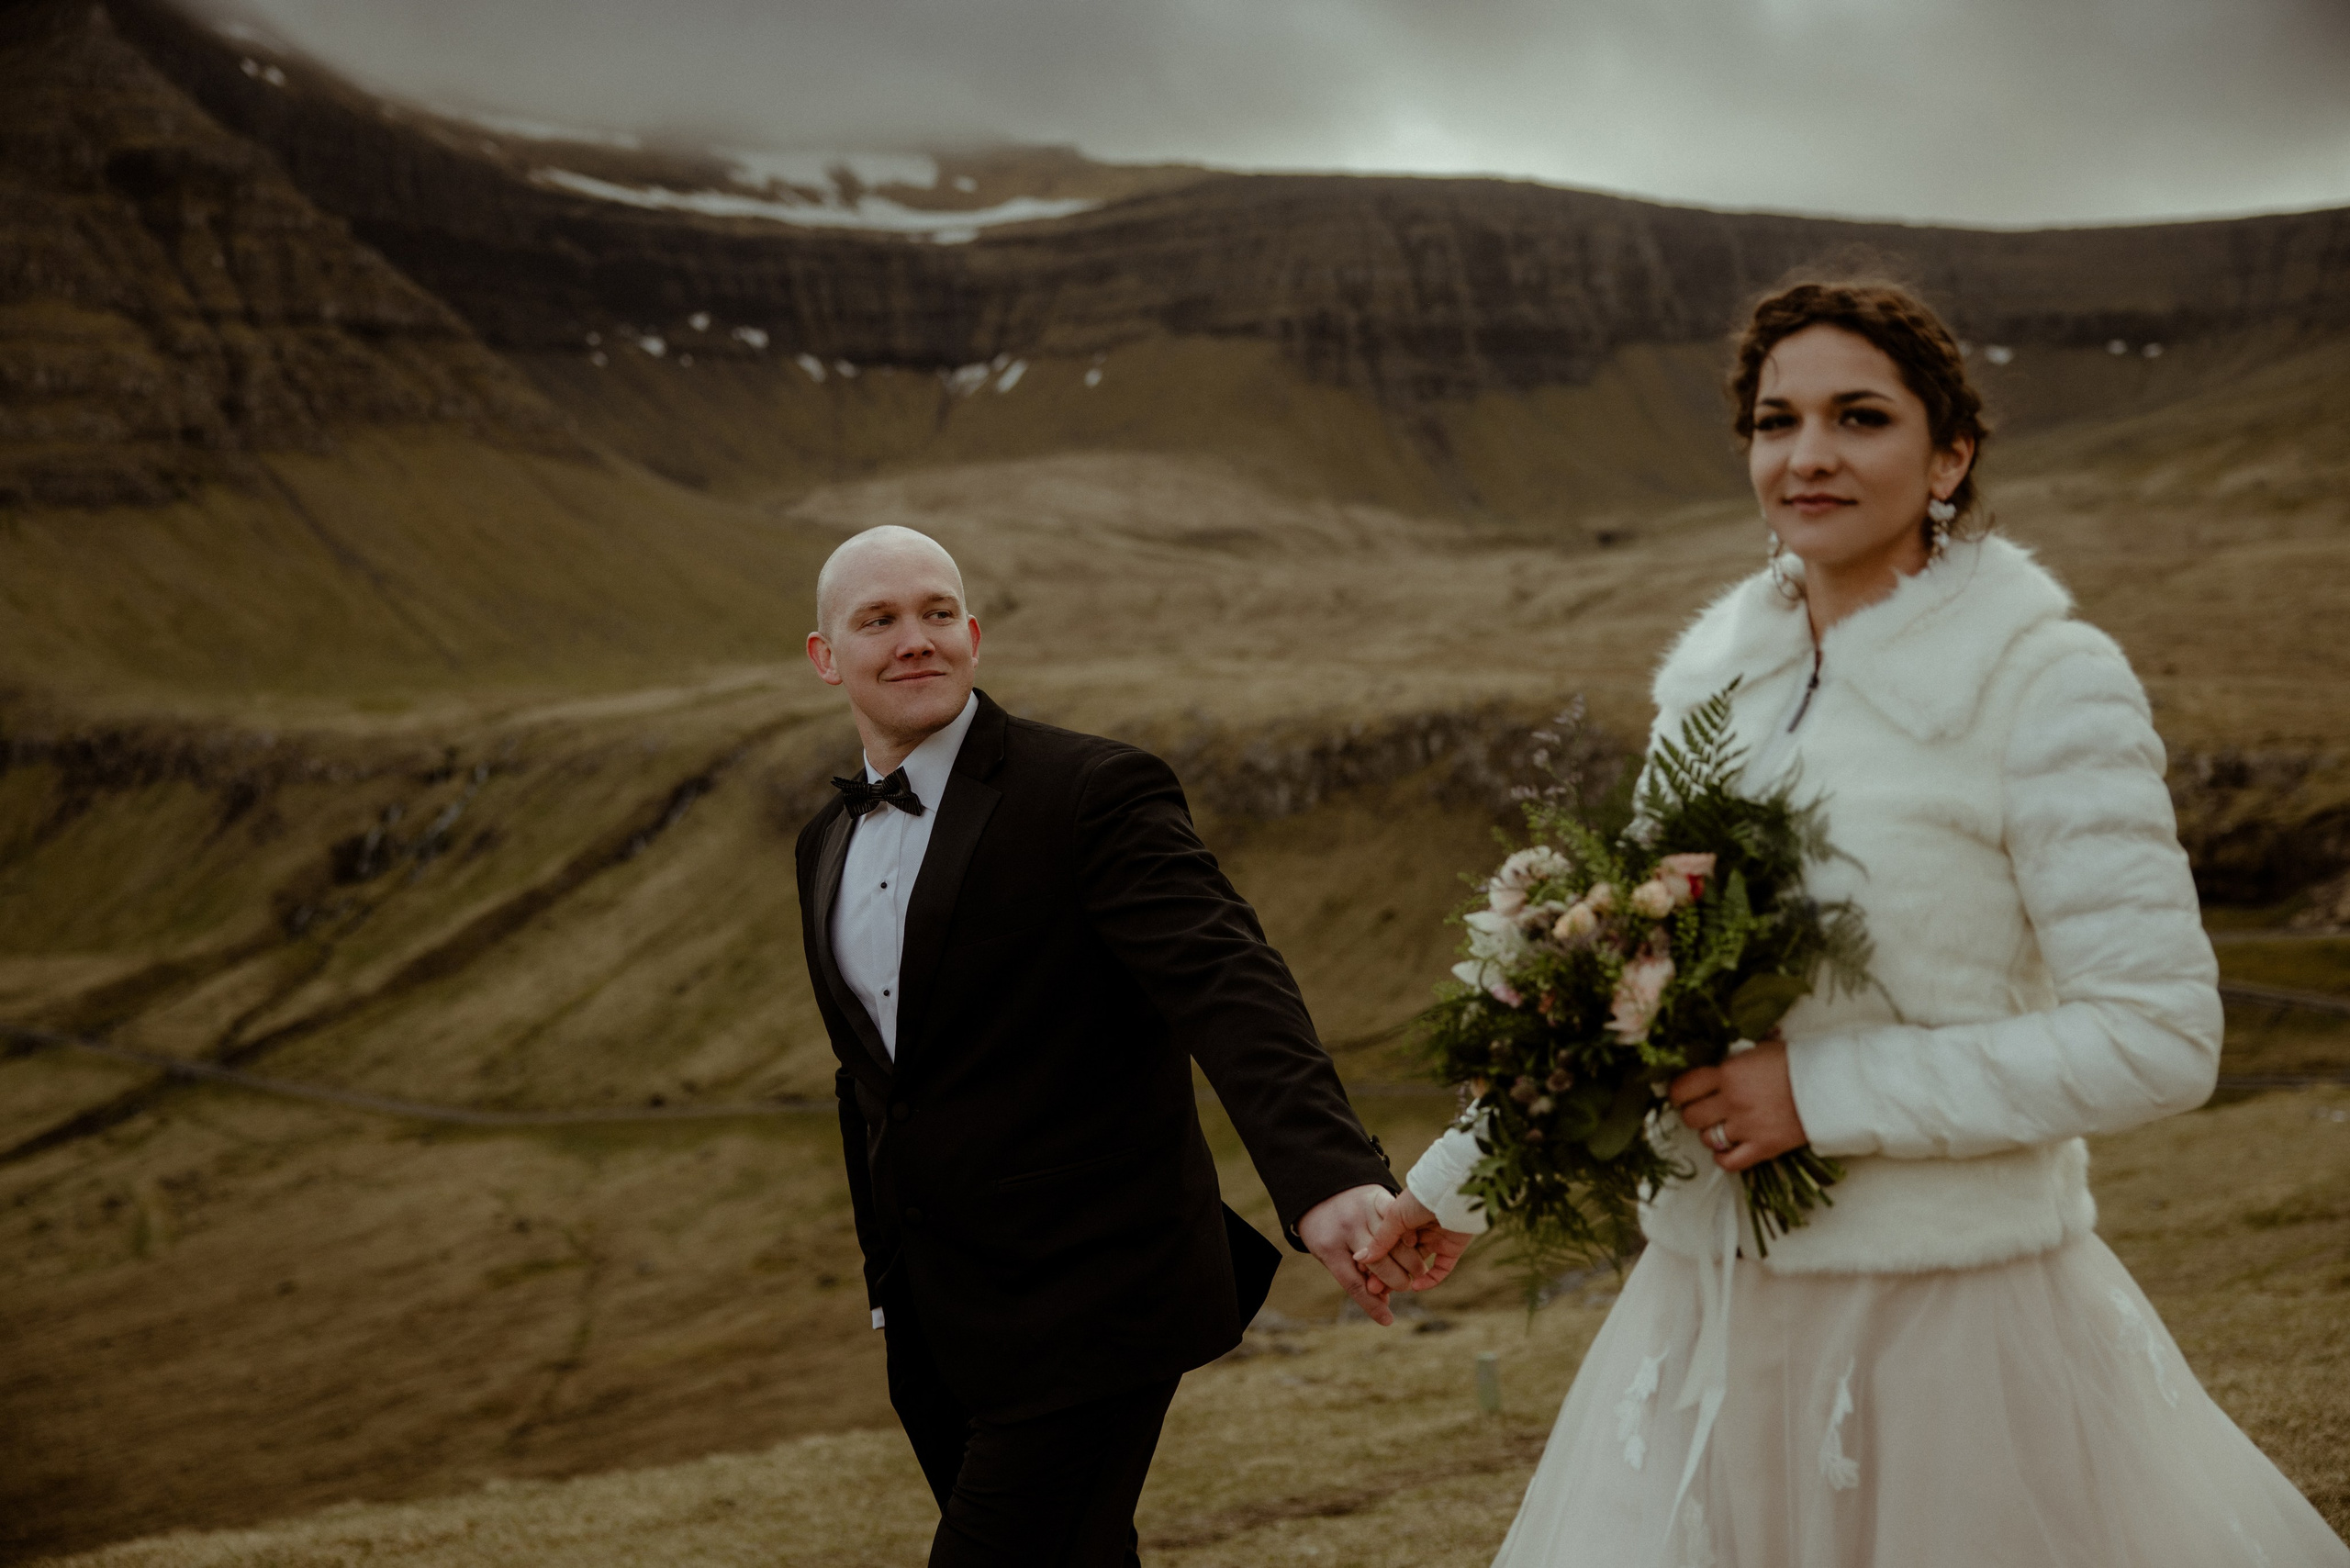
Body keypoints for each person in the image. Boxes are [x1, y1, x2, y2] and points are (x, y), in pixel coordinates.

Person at [1358, 282, 2350, 1565]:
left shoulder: (2046, 685)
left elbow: (2159, 1039)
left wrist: (1818, 1094)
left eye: (1860, 417)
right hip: (1706, 1319)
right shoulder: (1709, 687)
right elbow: (1635, 992)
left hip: (1947, 1333)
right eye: (1777, 421)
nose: (1808, 454)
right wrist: (1454, 1189)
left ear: (1951, 455)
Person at [794, 525, 1416, 1568]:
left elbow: (1229, 982)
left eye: (938, 613)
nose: (916, 640)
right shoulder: (825, 841)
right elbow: (878, 1079)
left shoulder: (1090, 791)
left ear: (974, 636)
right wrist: (884, 1274)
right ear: (826, 656)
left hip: (1094, 1301)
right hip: (938, 1319)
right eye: (880, 620)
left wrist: (1327, 1177)